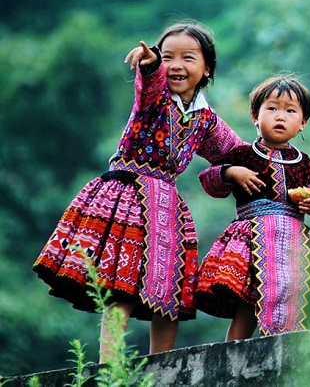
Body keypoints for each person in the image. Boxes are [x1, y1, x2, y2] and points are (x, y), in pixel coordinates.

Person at [33, 22, 243, 362]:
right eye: (168, 56)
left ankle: (162, 365)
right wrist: (150, 63)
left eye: (188, 58)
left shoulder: (207, 120)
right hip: (128, 195)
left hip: (168, 208)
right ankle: (109, 366)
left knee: (170, 291)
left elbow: (236, 151)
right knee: (122, 286)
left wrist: (271, 156)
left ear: (207, 68)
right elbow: (151, 81)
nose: (176, 65)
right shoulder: (154, 98)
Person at [195, 74, 310, 339]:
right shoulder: (242, 155)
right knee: (246, 301)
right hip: (251, 240)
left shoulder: (303, 161)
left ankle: (288, 359)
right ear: (255, 116)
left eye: (290, 111)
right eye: (272, 108)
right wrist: (231, 173)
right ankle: (232, 360)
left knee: (292, 297)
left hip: (292, 242)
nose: (280, 116)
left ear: (302, 123)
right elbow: (209, 180)